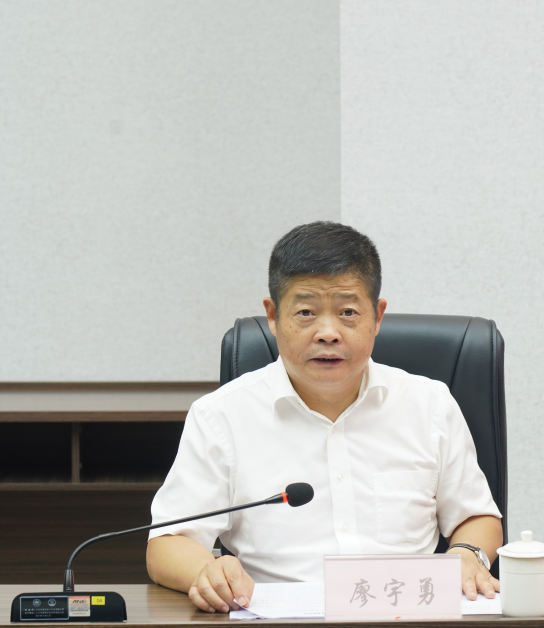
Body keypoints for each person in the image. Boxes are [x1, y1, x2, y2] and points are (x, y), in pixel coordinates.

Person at [146, 221, 503, 613]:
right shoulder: (221, 416)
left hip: (405, 615)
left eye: (348, 312)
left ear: (377, 316)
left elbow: (477, 516)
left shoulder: (429, 404)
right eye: (306, 312)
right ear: (272, 316)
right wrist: (208, 571)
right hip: (278, 619)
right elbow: (168, 542)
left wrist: (468, 553)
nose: (328, 333)